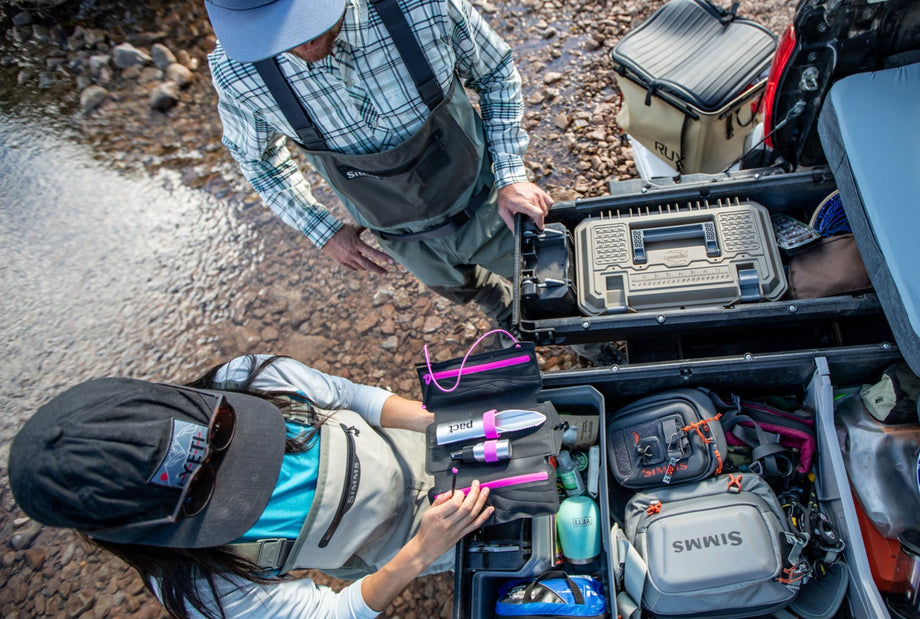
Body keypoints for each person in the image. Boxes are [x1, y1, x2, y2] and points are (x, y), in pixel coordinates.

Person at [6, 354, 493, 618]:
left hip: (418, 448)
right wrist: (421, 553)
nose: (246, 473)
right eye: (201, 496)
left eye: (224, 435)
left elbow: (350, 397)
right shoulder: (197, 584)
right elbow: (328, 613)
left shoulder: (246, 379)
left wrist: (433, 422)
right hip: (408, 545)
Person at [203, 0, 553, 327]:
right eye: (274, 34)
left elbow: (495, 72)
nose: (301, 43)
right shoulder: (237, 72)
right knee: (469, 291)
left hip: (486, 204)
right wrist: (322, 231)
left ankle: (593, 349)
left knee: (554, 283)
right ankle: (506, 313)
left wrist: (510, 176)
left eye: (303, 22)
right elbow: (257, 160)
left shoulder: (421, 5)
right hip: (402, 241)